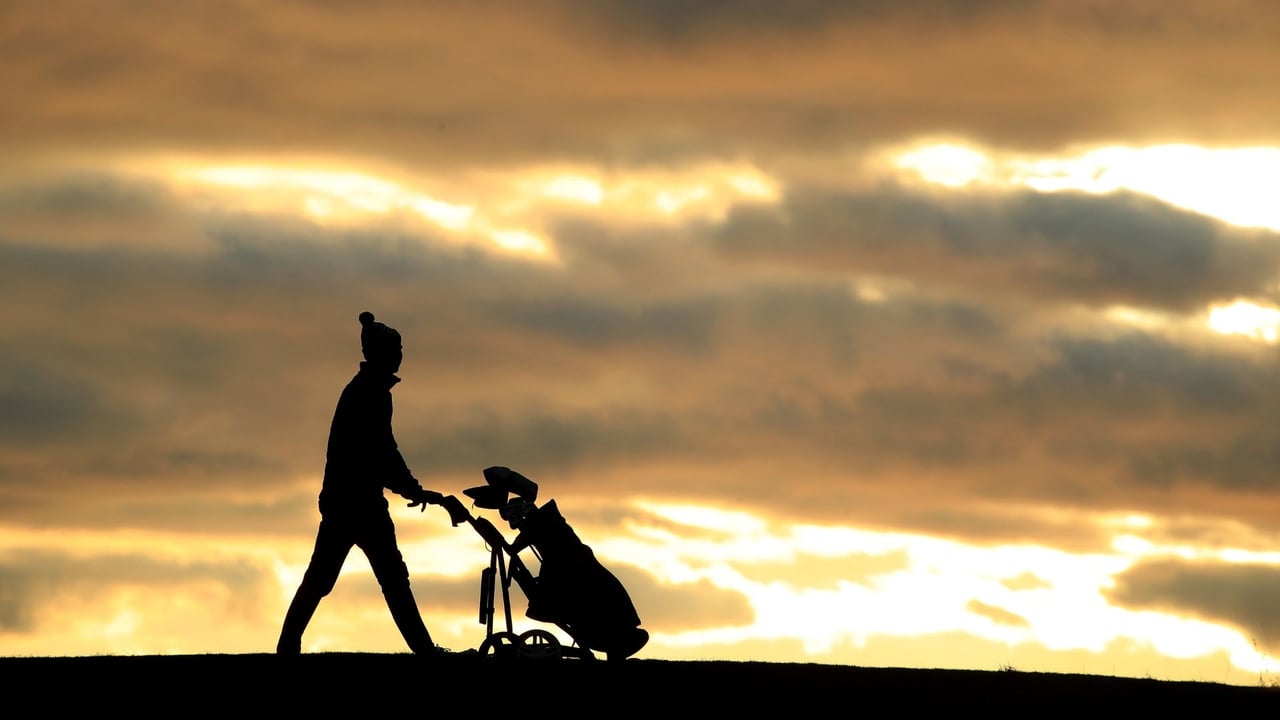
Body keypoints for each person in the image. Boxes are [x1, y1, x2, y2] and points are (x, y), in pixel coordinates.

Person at [277, 311, 464, 655]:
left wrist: (410, 487)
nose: (401, 355)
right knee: (386, 579)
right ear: (382, 353)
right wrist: (411, 487)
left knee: (326, 578)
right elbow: (381, 450)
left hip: (346, 501)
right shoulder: (371, 393)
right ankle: (424, 650)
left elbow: (381, 452)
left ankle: (287, 646)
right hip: (359, 504)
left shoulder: (365, 390)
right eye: (397, 348)